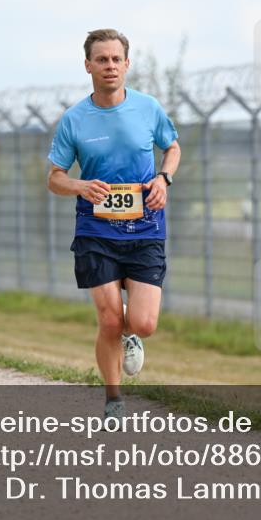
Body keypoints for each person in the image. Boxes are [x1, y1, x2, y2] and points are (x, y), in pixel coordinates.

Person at [47, 29, 181, 423]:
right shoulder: (75, 120)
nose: (109, 66)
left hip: (145, 228)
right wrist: (80, 185)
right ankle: (114, 399)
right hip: (96, 230)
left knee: (143, 322)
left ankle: (132, 334)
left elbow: (172, 147)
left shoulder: (147, 108)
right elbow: (55, 177)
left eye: (115, 59)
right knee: (108, 318)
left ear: (126, 64)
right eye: (101, 59)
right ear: (87, 65)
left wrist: (163, 179)